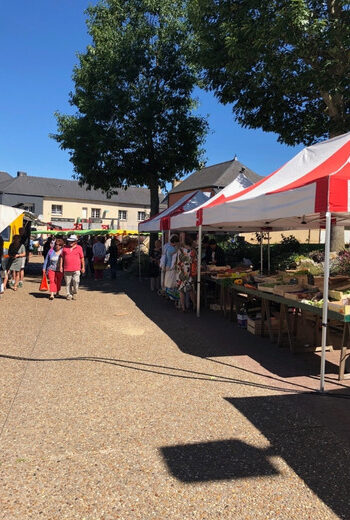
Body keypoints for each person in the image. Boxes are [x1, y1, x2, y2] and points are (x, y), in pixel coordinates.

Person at [59, 234, 85, 300]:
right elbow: (62, 257)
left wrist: (83, 267)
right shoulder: (65, 248)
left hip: (76, 268)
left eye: (72, 241)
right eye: (69, 241)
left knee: (76, 281)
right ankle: (69, 294)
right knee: (68, 283)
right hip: (67, 268)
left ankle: (75, 291)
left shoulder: (79, 248)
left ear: (75, 241)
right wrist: (61, 266)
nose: (70, 242)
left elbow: (82, 258)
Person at [175, 235, 197, 312]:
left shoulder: (180, 250)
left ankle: (183, 307)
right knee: (191, 290)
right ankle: (195, 305)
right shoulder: (193, 251)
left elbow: (177, 261)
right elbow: (195, 262)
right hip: (189, 272)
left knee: (181, 291)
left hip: (180, 272)